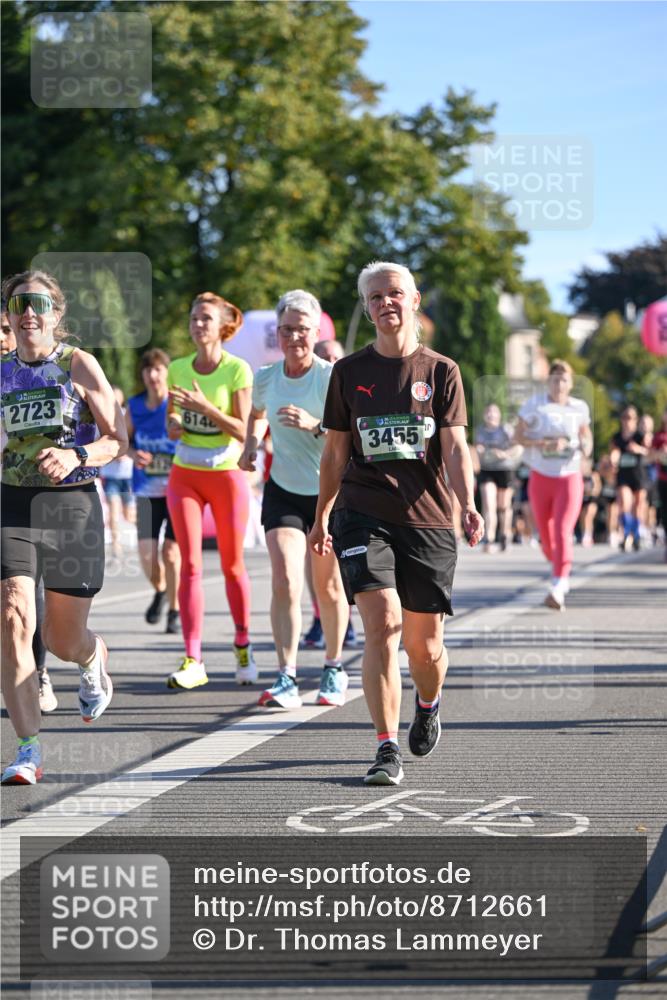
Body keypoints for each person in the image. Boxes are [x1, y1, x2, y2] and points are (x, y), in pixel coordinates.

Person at [311, 261, 484, 786]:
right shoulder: (348, 373)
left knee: (424, 646)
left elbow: (454, 448)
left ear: (414, 301)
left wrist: (468, 504)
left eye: (395, 294)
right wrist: (322, 515)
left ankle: (428, 701)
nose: (386, 303)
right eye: (376, 296)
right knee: (382, 625)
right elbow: (337, 452)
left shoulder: (441, 371)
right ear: (366, 309)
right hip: (362, 514)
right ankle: (386, 748)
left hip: (428, 519)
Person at [1, 270, 127, 784]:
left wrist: (77, 453)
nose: (28, 312)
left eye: (39, 303)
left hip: (71, 505)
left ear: (56, 314)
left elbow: (116, 440)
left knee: (60, 638)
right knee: (12, 614)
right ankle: (27, 749)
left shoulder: (78, 365)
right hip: (12, 505)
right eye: (18, 303)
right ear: (8, 315)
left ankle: (91, 655)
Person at [239, 291, 349, 708]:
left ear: (315, 331)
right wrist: (251, 446)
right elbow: (256, 414)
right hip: (282, 489)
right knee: (285, 578)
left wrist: (315, 425)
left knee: (329, 586)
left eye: (302, 330)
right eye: (286, 330)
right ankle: (286, 674)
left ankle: (334, 667)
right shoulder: (266, 376)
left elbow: (349, 434)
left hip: (328, 494)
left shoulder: (330, 376)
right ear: (279, 333)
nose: (294, 337)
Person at [165, 291, 256, 689]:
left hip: (225, 473)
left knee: (232, 564)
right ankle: (192, 658)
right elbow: (172, 415)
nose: (198, 324)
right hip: (185, 472)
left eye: (205, 318)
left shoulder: (237, 369)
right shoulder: (178, 368)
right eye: (193, 318)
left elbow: (245, 430)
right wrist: (173, 423)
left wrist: (207, 410)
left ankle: (242, 643)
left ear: (222, 326)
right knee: (189, 564)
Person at [1, 309, 56, 713]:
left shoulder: (38, 373)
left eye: (5, 329)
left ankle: (38, 673)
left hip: (28, 494)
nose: (1, 338)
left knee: (23, 593)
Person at [515, 360, 592, 610]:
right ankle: (559, 565)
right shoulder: (535, 405)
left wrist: (586, 446)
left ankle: (558, 585)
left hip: (569, 477)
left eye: (564, 380)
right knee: (547, 539)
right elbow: (518, 436)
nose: (560, 384)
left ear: (571, 383)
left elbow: (586, 435)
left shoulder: (579, 407)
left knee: (562, 530)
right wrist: (542, 444)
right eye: (555, 379)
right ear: (549, 381)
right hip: (540, 476)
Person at [302, 337, 360, 652]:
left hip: (347, 486)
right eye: (324, 356)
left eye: (335, 356)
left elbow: (343, 433)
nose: (329, 361)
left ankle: (345, 620)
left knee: (342, 558)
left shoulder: (352, 383)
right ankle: (319, 617)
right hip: (309, 484)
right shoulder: (309, 386)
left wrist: (312, 425)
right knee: (313, 561)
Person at [125, 348, 181, 633]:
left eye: (158, 368)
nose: (153, 374)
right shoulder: (133, 406)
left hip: (177, 491)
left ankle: (174, 609)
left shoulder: (176, 405)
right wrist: (134, 454)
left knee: (171, 553)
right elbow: (122, 441)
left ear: (166, 373)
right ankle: (160, 591)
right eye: (148, 369)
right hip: (146, 491)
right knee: (147, 556)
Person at [474, 403, 522, 552]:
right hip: (487, 469)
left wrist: (505, 454)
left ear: (499, 415)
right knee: (489, 502)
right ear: (484, 415)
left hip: (504, 469)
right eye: (488, 411)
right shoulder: (480, 430)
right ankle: (489, 538)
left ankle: (505, 534)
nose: (490, 414)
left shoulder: (505, 429)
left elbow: (518, 447)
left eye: (494, 412)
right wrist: (480, 450)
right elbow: (478, 447)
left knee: (503, 506)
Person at [101, 386, 136, 558]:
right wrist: (113, 455)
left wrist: (128, 452)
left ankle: (147, 535)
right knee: (113, 510)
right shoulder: (100, 415)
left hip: (128, 474)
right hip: (111, 475)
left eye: (118, 398)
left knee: (129, 514)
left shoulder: (127, 415)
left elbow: (135, 440)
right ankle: (116, 545)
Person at [610, 406, 650, 552]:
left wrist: (638, 449)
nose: (628, 421)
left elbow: (649, 453)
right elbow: (614, 451)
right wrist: (613, 459)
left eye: (631, 418)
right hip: (624, 475)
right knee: (625, 503)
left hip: (638, 474)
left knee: (638, 506)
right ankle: (626, 534)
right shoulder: (617, 437)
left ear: (636, 420)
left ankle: (637, 534)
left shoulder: (640, 435)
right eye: (625, 417)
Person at [650, 406, 667, 561]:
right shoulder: (659, 436)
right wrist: (660, 454)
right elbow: (649, 456)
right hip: (663, 479)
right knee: (664, 512)